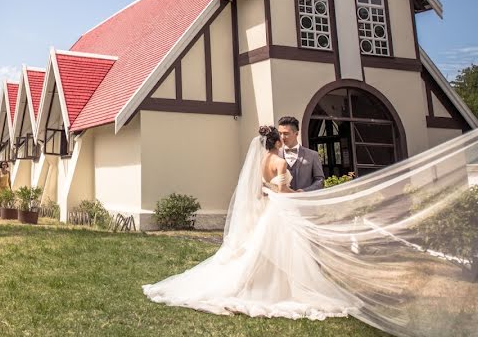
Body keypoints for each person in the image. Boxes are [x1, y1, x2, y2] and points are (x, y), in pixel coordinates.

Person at [142, 125, 355, 320]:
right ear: (278, 143)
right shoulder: (279, 162)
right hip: (279, 212)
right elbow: (282, 191)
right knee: (283, 251)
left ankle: (264, 285)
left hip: (269, 210)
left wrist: (273, 191)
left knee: (263, 251)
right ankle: (280, 289)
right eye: (280, 137)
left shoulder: (262, 162)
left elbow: (260, 190)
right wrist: (297, 194)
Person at [277, 116, 324, 192]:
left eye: (286, 133)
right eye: (280, 133)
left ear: (296, 133)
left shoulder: (312, 155)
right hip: (282, 201)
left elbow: (320, 181)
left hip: (305, 201)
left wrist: (305, 191)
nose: (282, 137)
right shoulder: (275, 155)